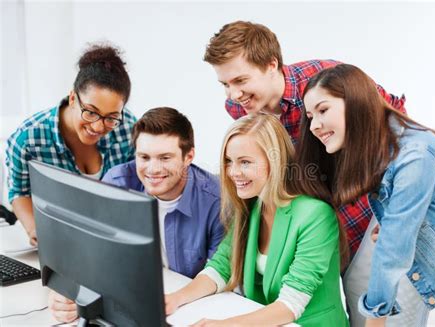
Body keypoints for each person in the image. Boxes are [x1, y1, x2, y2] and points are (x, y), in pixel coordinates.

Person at [204, 20, 414, 327]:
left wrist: (398, 206)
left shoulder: (325, 83)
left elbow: (398, 121)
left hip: (363, 220)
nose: (233, 94)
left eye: (240, 80)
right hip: (309, 228)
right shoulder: (240, 109)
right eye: (225, 84)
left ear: (271, 64)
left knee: (369, 315)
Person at [298, 63, 435, 327]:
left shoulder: (414, 155)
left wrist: (375, 316)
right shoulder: (386, 151)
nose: (314, 125)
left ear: (356, 103)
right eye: (311, 116)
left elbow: (394, 248)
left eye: (323, 110)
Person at [165, 113, 349, 326]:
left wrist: (225, 325)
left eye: (245, 162)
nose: (233, 172)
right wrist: (175, 299)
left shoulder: (315, 215)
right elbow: (221, 267)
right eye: (228, 161)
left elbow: (291, 304)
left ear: (276, 162)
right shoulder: (253, 207)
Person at [48, 107, 225, 323]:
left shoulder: (216, 199)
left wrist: (175, 299)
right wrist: (68, 291)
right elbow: (89, 251)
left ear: (189, 156)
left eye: (165, 157)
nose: (153, 169)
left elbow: (221, 271)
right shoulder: (117, 184)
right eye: (144, 157)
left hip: (192, 307)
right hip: (132, 299)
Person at [5, 43, 137, 246]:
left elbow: (136, 188)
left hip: (111, 240)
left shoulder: (127, 128)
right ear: (73, 97)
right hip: (60, 241)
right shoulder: (27, 139)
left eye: (111, 117)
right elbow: (19, 192)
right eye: (91, 112)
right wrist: (34, 229)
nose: (98, 126)